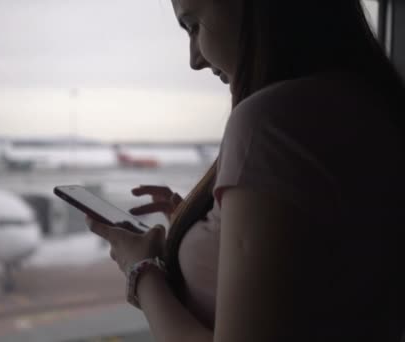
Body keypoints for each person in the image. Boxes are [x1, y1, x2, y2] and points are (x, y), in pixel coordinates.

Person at [85, 0, 405, 341]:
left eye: (193, 26)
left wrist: (142, 271)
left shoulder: (270, 122)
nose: (194, 60)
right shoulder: (372, 103)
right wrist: (209, 225)